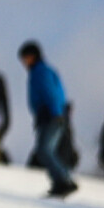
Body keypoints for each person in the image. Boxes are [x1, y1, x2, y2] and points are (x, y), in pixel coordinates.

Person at [18, 40, 77, 198]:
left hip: (52, 116)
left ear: (32, 56)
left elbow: (51, 93)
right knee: (45, 150)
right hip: (49, 116)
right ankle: (61, 181)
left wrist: (55, 113)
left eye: (25, 57)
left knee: (45, 149)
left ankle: (64, 181)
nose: (23, 62)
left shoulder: (41, 71)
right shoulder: (40, 70)